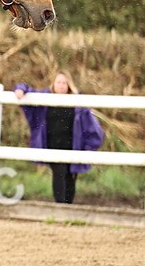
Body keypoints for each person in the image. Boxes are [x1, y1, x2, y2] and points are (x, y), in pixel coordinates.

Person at [14, 72, 105, 204]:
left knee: (70, 177)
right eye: (59, 82)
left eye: (64, 83)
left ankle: (68, 206)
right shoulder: (45, 99)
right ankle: (60, 205)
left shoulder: (79, 103)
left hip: (73, 146)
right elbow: (28, 92)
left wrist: (88, 147)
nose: (61, 86)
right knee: (59, 174)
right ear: (53, 84)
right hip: (53, 144)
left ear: (69, 85)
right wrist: (20, 89)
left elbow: (93, 129)